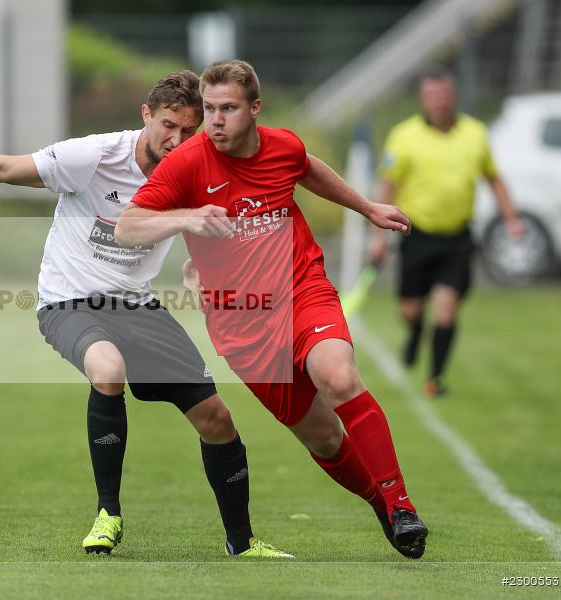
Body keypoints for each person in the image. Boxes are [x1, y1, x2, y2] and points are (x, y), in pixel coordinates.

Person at [0, 71, 291, 558]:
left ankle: (243, 543)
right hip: (68, 302)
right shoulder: (96, 156)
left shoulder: (193, 168)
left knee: (217, 418)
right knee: (108, 369)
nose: (178, 139)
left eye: (190, 130)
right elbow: (0, 167)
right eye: (169, 125)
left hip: (136, 304)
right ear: (146, 116)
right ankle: (109, 514)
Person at [116, 60, 429, 559]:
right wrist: (189, 217)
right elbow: (126, 226)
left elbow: (307, 169)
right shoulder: (186, 163)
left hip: (301, 289)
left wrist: (368, 208)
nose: (215, 120)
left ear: (254, 109)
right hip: (241, 325)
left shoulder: (283, 145)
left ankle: (402, 504)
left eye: (228, 109)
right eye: (211, 109)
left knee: (339, 375)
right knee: (325, 438)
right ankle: (380, 504)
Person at [369, 70, 524, 397]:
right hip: (416, 234)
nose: (439, 101)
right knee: (410, 310)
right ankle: (414, 332)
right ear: (424, 99)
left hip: (457, 238)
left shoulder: (475, 134)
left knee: (447, 305)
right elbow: (388, 185)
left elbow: (493, 178)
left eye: (444, 95)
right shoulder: (403, 135)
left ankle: (435, 379)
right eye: (432, 96)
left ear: (453, 97)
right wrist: (378, 237)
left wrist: (511, 219)